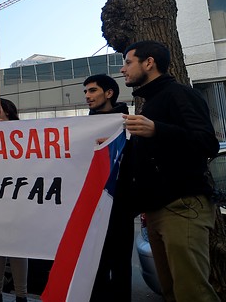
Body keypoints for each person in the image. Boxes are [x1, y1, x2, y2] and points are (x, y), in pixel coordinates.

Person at [121, 40, 219, 302]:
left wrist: (157, 130)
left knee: (192, 293)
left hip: (182, 207)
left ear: (149, 63)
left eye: (128, 62)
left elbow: (208, 143)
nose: (123, 69)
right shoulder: (150, 102)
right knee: (172, 293)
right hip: (156, 212)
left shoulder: (180, 94)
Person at [83, 74, 133, 302]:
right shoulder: (82, 126)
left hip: (120, 204)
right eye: (86, 92)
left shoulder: (127, 123)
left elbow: (136, 161)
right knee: (94, 265)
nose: (87, 96)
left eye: (92, 91)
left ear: (109, 93)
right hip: (91, 207)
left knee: (120, 265)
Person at [0, 98, 29, 302]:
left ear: (8, 112)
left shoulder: (23, 132)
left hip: (15, 199)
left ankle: (21, 296)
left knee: (18, 250)